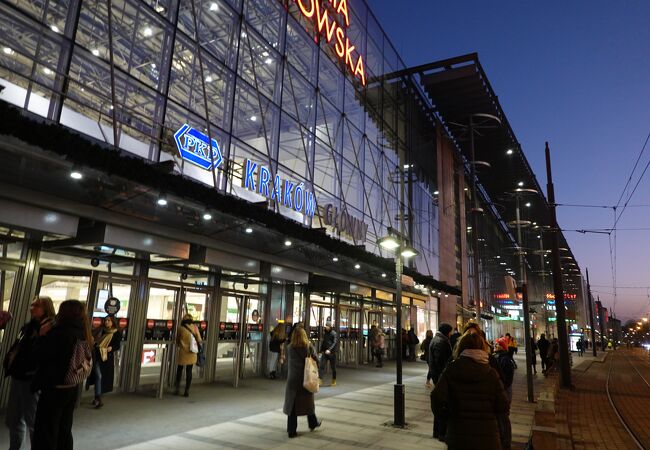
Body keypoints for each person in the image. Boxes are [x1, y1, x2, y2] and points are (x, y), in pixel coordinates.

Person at [32, 299, 93, 450]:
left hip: (54, 388)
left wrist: (41, 336)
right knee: (64, 429)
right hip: (72, 387)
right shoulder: (83, 332)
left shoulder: (60, 332)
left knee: (46, 431)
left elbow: (40, 355)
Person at [432, 332, 509, 450]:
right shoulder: (491, 373)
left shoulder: (452, 369)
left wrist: (447, 417)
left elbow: (436, 397)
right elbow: (503, 406)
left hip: (458, 435)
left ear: (461, 347)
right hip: (487, 437)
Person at [4, 296, 55, 450]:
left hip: (32, 380)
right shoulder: (28, 327)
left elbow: (44, 354)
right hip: (18, 376)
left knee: (33, 421)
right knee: (14, 420)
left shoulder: (49, 328)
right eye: (32, 304)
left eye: (36, 305)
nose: (32, 307)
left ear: (46, 308)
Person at [283, 326, 321, 438]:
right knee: (308, 402)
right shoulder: (308, 347)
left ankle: (291, 430)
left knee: (292, 405)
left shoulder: (290, 347)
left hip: (293, 380)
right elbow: (316, 360)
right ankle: (312, 423)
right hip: (306, 378)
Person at [86, 315, 122, 408]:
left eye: (108, 320)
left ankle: (97, 396)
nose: (106, 322)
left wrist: (111, 348)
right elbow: (92, 338)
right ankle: (98, 398)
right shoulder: (101, 330)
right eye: (105, 320)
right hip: (97, 356)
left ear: (113, 322)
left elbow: (117, 345)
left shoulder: (117, 333)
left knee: (102, 377)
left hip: (106, 358)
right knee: (98, 375)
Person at [427, 323, 453, 441]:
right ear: (447, 332)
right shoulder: (441, 342)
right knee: (443, 404)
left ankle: (438, 431)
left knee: (440, 403)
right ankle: (440, 432)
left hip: (437, 375)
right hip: (440, 376)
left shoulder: (436, 340)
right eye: (450, 332)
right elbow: (440, 362)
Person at [494, 337, 516, 450]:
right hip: (502, 391)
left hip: (504, 392)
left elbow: (508, 379)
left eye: (497, 345)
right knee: (501, 418)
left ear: (502, 347)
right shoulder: (500, 357)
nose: (495, 346)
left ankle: (505, 443)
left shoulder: (505, 359)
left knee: (503, 418)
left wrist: (501, 388)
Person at [175, 313, 202, 397]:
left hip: (183, 352)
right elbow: (199, 339)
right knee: (189, 371)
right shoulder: (195, 327)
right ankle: (187, 390)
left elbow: (177, 340)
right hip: (192, 353)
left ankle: (177, 389)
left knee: (179, 370)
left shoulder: (180, 328)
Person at [318, 321, 338, 386]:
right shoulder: (325, 333)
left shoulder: (334, 333)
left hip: (332, 353)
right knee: (321, 366)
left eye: (327, 326)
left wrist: (329, 350)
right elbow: (323, 342)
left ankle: (334, 380)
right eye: (326, 326)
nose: (326, 327)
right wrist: (320, 351)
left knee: (333, 368)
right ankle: (320, 380)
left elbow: (335, 343)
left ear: (330, 326)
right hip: (325, 352)